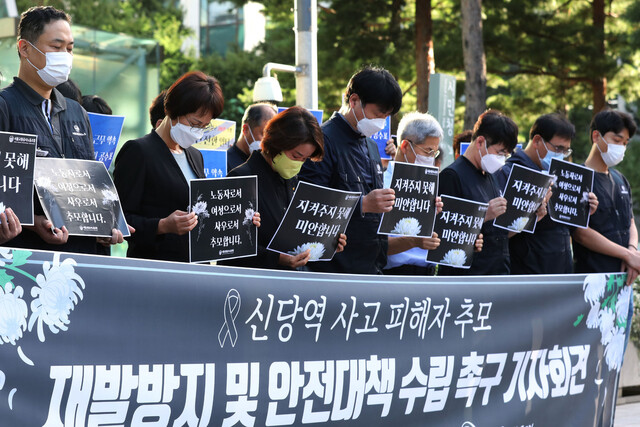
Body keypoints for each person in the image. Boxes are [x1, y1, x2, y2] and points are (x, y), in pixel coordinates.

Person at [0, 6, 124, 253]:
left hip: (80, 257)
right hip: (25, 257)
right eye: (56, 48)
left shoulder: (77, 112)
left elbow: (87, 184)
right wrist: (35, 224)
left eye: (69, 48)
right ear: (25, 48)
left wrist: (104, 226)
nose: (65, 56)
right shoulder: (5, 106)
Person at [299, 66, 402, 274]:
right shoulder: (322, 140)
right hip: (335, 271)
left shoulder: (371, 145)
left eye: (387, 116)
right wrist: (362, 204)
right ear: (354, 100)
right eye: (377, 114)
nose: (381, 123)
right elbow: (309, 205)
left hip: (372, 266)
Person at [114, 71, 227, 262]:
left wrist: (240, 219)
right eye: (194, 123)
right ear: (171, 111)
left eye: (204, 126)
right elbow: (119, 218)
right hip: (156, 267)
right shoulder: (138, 151)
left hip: (196, 265)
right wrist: (162, 225)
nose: (197, 132)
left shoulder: (194, 155)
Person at [225, 106, 346, 270]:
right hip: (251, 286)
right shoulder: (241, 179)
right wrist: (276, 258)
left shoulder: (290, 180)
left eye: (304, 159)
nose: (298, 164)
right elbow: (229, 247)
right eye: (296, 156)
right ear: (277, 142)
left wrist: (326, 242)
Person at [494, 113, 598, 274]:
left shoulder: (562, 175)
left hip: (561, 272)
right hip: (527, 275)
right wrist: (531, 213)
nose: (562, 155)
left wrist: (584, 208)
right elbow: (497, 234)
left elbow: (570, 228)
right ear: (537, 141)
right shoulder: (508, 173)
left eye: (566, 150)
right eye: (558, 148)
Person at [383, 112, 482, 275]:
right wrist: (414, 241)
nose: (431, 158)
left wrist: (467, 241)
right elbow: (375, 244)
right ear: (405, 146)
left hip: (428, 275)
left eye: (434, 153)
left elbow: (442, 239)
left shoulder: (434, 186)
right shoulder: (382, 184)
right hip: (393, 276)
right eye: (427, 151)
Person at [438, 110, 518, 275]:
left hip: (497, 272)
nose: (502, 159)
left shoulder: (490, 175)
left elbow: (498, 232)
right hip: (469, 279)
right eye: (500, 152)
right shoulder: (452, 176)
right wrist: (484, 214)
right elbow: (445, 236)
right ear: (481, 142)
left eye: (506, 154)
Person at [573, 110, 640, 285]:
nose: (621, 147)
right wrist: (627, 254)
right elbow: (580, 233)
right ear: (596, 136)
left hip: (625, 279)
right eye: (617, 141)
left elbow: (630, 222)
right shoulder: (577, 178)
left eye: (625, 143)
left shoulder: (620, 179)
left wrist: (632, 252)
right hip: (593, 282)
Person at [227, 103, 277, 171]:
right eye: (264, 135)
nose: (269, 143)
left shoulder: (269, 164)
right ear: (246, 129)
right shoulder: (226, 163)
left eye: (272, 137)